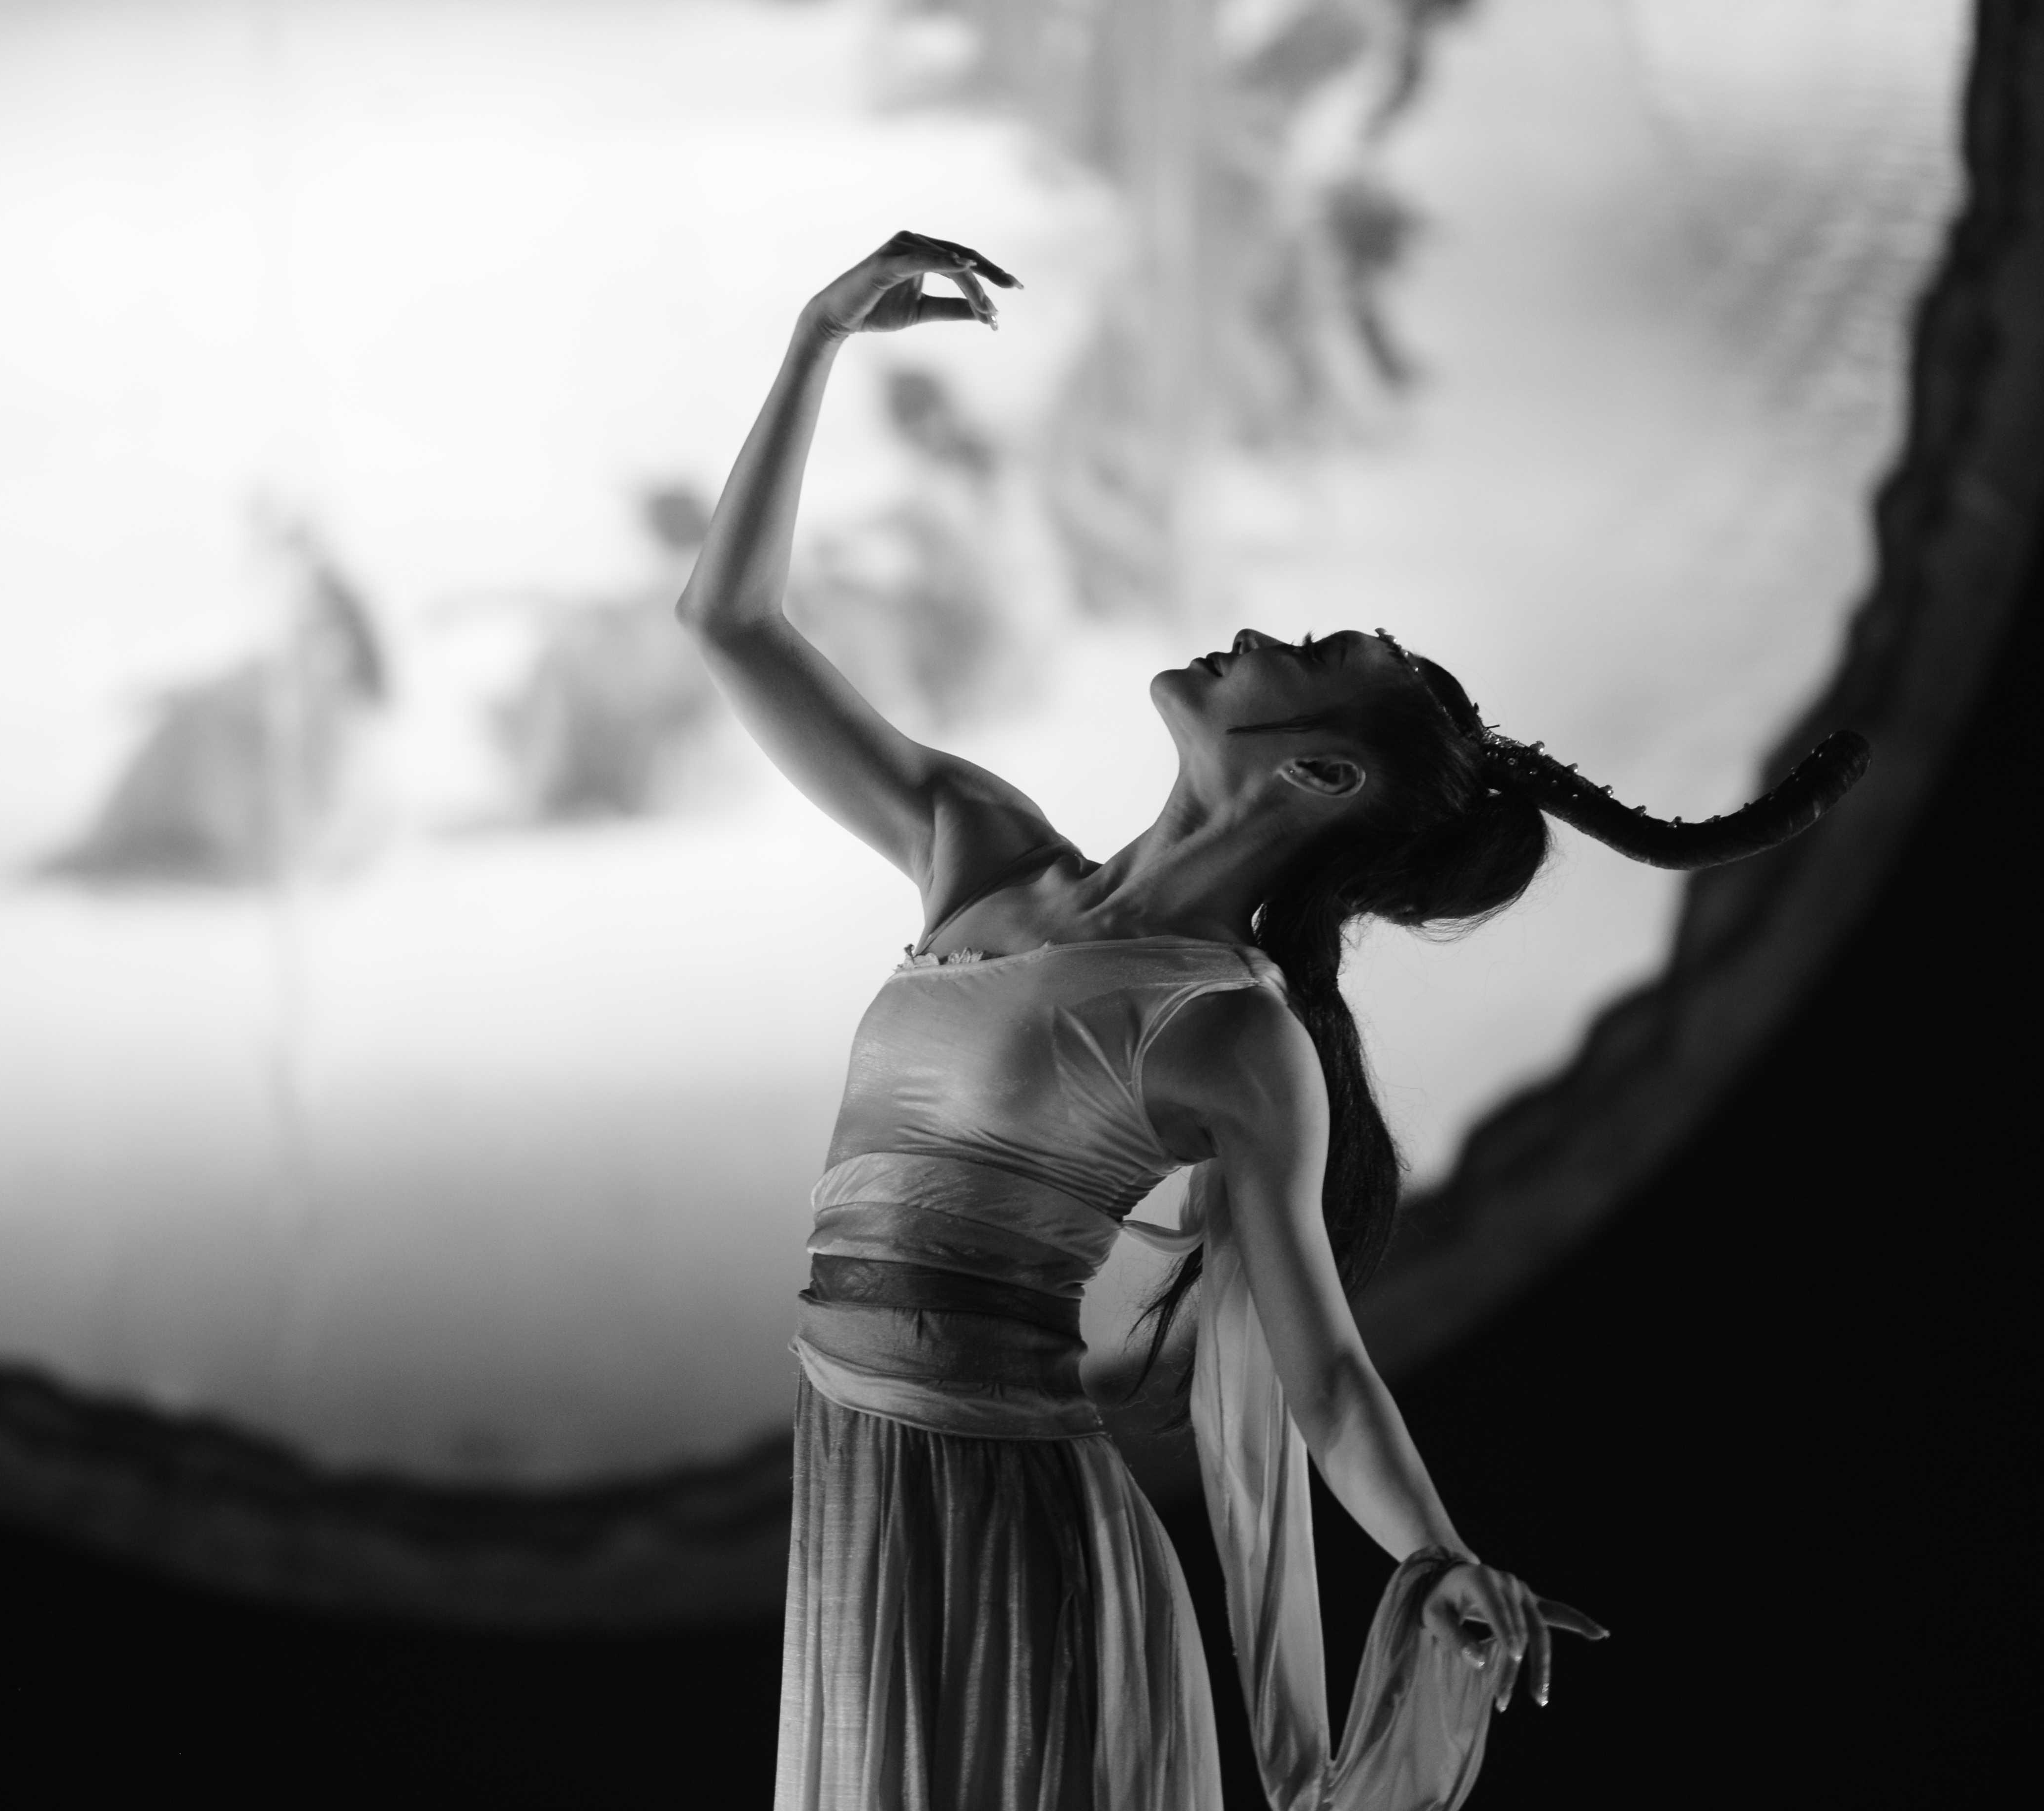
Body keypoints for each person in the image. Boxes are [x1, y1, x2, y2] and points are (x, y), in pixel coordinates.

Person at [674, 232, 1867, 1810]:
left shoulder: (1233, 1036)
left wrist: (1439, 1553)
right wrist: (817, 339)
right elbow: (731, 625)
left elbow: (1324, 1380)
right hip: (861, 1518)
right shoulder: (978, 848)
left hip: (1021, 1550)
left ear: (1318, 775)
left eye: (1301, 659)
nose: (1251, 642)